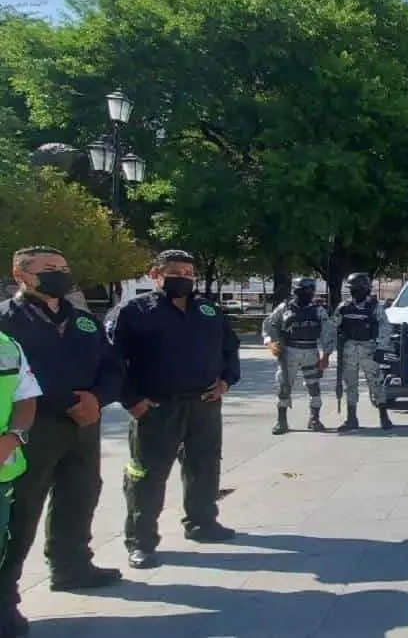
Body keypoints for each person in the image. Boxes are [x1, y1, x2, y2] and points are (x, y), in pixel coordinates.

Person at [0, 246, 109, 638]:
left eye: (63, 267)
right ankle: (4, 596)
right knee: (21, 512)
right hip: (32, 429)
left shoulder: (82, 320)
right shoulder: (6, 320)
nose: (59, 274)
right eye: (48, 269)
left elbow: (111, 364)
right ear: (21, 275)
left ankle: (72, 566)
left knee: (81, 494)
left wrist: (98, 398)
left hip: (82, 426)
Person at [110, 250, 241, 570]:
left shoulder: (209, 310)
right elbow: (114, 361)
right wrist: (133, 401)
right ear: (155, 274)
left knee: (205, 465)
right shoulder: (135, 311)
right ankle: (141, 541)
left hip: (204, 404)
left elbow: (230, 348)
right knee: (147, 475)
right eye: (175, 271)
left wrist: (225, 381)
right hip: (156, 407)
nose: (183, 277)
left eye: (188, 272)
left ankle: (202, 523)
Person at [262, 278, 335, 435]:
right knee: (284, 386)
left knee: (314, 386)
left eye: (310, 291)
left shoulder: (318, 310)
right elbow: (269, 325)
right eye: (304, 291)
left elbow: (327, 332)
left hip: (310, 351)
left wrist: (326, 355)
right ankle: (281, 421)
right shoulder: (284, 308)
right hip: (289, 352)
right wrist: (271, 343)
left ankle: (314, 418)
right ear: (296, 291)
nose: (308, 294)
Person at [333, 273, 394, 432]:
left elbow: (385, 328)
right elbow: (332, 326)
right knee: (350, 385)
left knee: (376, 383)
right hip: (349, 350)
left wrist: (381, 348)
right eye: (351, 289)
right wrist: (334, 342)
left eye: (356, 289)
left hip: (369, 349)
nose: (353, 292)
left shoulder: (375, 307)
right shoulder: (344, 307)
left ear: (365, 290)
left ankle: (383, 416)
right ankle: (351, 419)